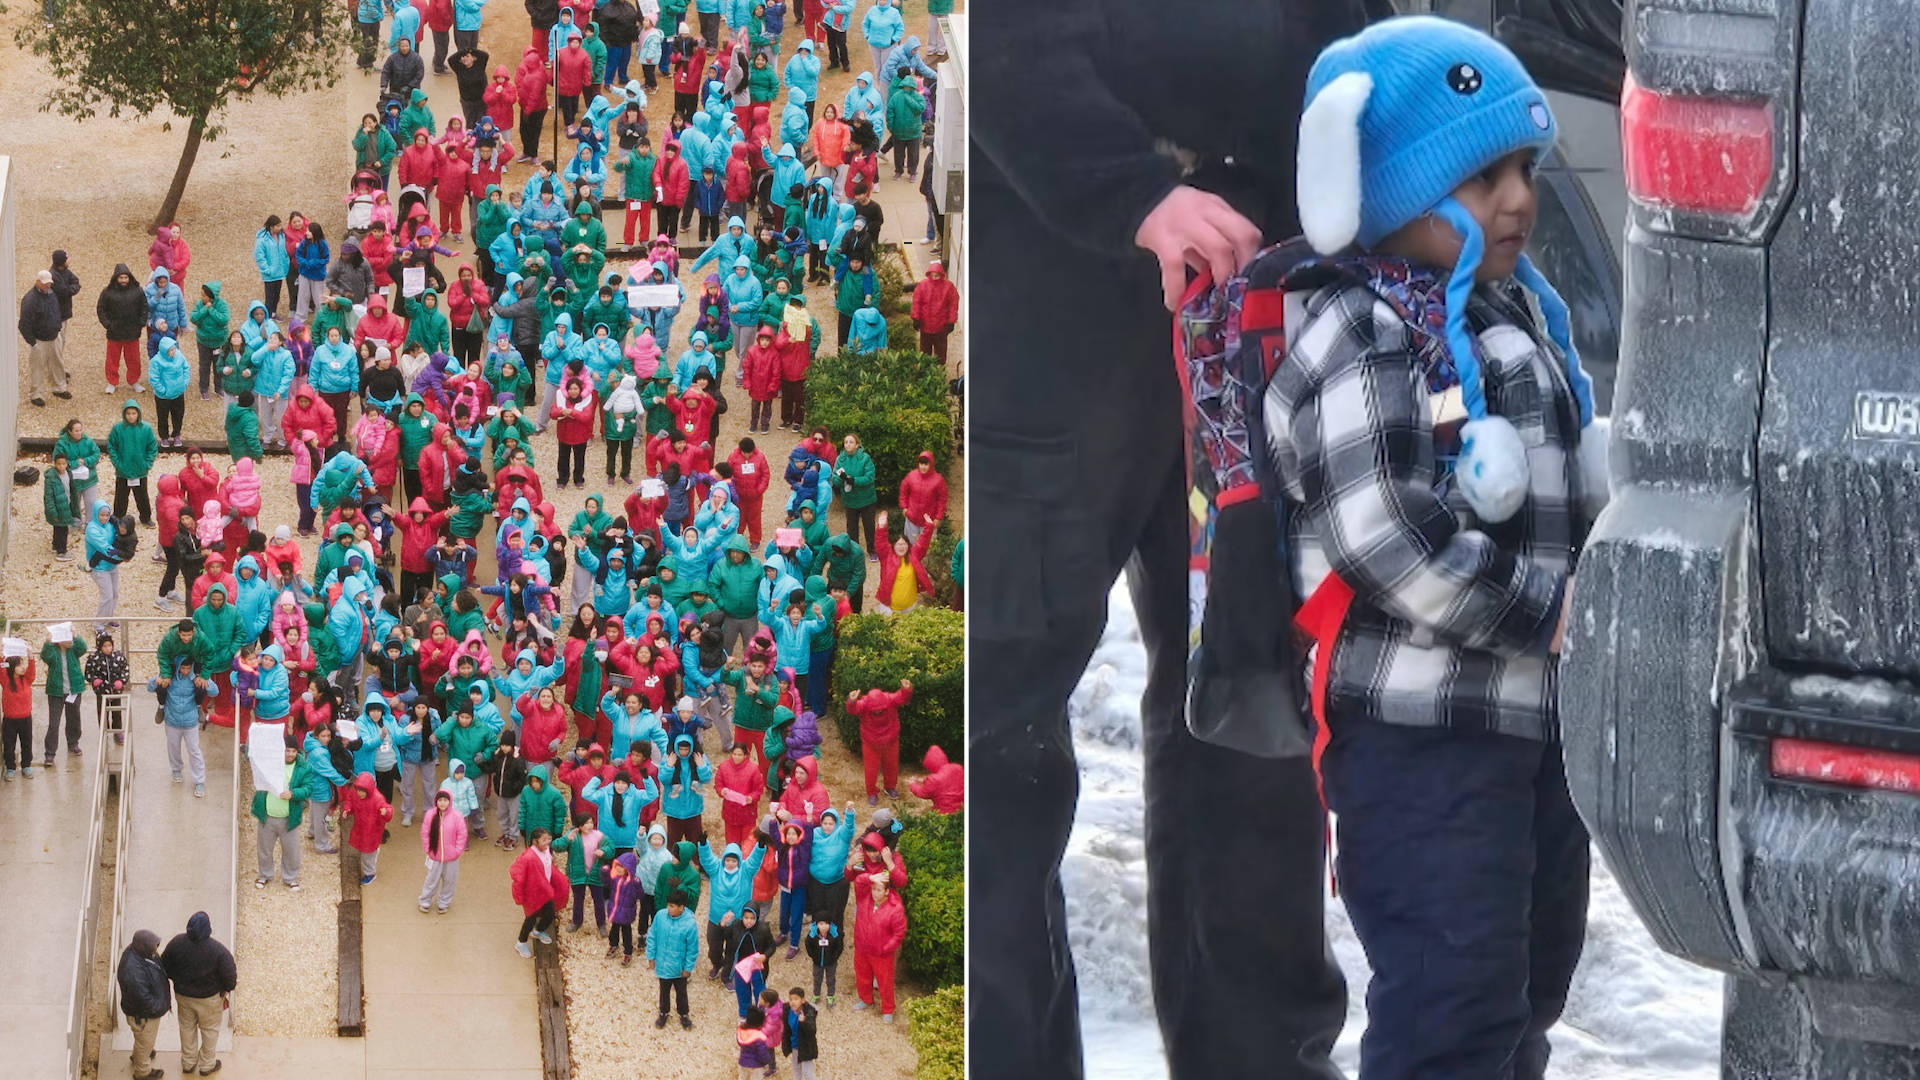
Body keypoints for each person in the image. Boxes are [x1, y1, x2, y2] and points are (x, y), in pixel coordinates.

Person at [969, 1, 1372, 1076]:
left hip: (1265, 299)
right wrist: (1131, 189)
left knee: (1253, 712)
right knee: (996, 739)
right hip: (1052, 307)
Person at [159, 911, 237, 1078]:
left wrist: (177, 979)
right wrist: (224, 989)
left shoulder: (176, 943)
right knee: (209, 1031)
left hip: (183, 996)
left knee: (186, 1028)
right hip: (210, 1000)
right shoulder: (219, 951)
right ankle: (207, 1065)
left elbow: (164, 966)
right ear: (208, 928)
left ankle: (188, 1062)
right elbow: (230, 978)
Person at [253, 734, 308, 889]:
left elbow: (308, 788)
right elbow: (251, 754)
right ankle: (264, 875)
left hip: (289, 818)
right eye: (287, 750)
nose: (290, 754)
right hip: (267, 816)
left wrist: (293, 794)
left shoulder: (303, 767)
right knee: (264, 849)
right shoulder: (269, 763)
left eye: (293, 751)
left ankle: (290, 877)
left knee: (291, 850)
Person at [117, 928, 172, 1080]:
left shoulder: (138, 953)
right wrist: (159, 1008)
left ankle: (138, 1055)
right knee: (145, 1042)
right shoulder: (132, 971)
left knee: (142, 1040)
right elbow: (143, 1000)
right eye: (153, 947)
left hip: (141, 1013)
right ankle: (142, 1072)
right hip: (143, 1016)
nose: (155, 951)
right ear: (144, 947)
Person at [849, 871, 904, 1023]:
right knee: (862, 976)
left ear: (887, 891)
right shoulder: (864, 898)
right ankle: (866, 1000)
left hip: (881, 954)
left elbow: (898, 934)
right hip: (862, 948)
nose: (874, 892)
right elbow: (858, 882)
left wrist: (885, 948)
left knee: (884, 982)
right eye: (873, 888)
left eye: (879, 890)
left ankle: (888, 1009)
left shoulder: (895, 908)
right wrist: (870, 877)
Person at [511, 826, 570, 957]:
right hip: (532, 894)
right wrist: (519, 895)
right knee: (530, 919)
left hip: (545, 891)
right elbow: (518, 875)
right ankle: (521, 942)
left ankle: (537, 931)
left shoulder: (545, 851)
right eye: (543, 840)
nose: (547, 842)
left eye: (548, 839)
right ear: (535, 841)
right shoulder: (528, 857)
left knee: (549, 913)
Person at [647, 887, 701, 1028]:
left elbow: (692, 949)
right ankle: (663, 1012)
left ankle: (684, 1014)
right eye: (668, 905)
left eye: (672, 906)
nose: (668, 908)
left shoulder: (690, 924)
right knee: (664, 991)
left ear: (681, 907)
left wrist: (688, 968)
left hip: (679, 968)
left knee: (681, 992)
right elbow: (652, 936)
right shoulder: (660, 916)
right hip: (663, 965)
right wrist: (651, 957)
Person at [98, 263, 150, 394]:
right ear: (116, 278)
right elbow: (101, 309)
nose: (123, 280)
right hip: (114, 333)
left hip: (132, 332)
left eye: (125, 277)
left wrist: (141, 323)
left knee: (134, 359)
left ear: (129, 278)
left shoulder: (138, 291)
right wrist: (108, 324)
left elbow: (144, 307)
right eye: (121, 278)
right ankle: (112, 382)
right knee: (112, 360)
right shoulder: (107, 292)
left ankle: (134, 381)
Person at [19, 269, 69, 406]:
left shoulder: (51, 294)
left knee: (57, 363)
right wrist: (32, 343)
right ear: (38, 282)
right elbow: (23, 324)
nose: (48, 285)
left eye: (49, 283)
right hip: (39, 340)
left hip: (54, 336)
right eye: (45, 283)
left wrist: (57, 328)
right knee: (37, 368)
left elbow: (56, 311)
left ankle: (59, 388)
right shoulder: (30, 300)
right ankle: (36, 394)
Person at [39, 628, 87, 764]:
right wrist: (47, 643)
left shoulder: (73, 649)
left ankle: (73, 743)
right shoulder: (53, 650)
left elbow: (83, 648)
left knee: (74, 719)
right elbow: (45, 657)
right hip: (56, 691)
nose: (69, 641)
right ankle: (50, 752)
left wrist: (76, 635)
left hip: (73, 690)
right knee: (54, 723)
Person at [107, 399, 159, 526]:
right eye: (128, 413)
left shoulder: (146, 428)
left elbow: (152, 447)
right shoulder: (118, 428)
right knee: (121, 496)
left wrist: (147, 463)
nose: (131, 416)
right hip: (123, 470)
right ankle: (118, 517)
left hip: (140, 469)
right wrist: (117, 463)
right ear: (124, 414)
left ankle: (145, 518)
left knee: (142, 496)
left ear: (138, 414)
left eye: (133, 413)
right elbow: (111, 446)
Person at [420, 787, 470, 912]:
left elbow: (462, 834)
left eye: (445, 800)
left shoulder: (457, 816)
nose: (442, 803)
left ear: (450, 801)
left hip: (452, 857)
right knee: (431, 880)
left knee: (450, 881)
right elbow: (425, 833)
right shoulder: (430, 815)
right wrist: (428, 849)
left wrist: (457, 851)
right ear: (436, 801)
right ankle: (425, 900)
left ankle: (444, 902)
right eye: (440, 800)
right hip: (435, 855)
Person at [909, 258, 957, 363]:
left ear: (942, 274)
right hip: (925, 326)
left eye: (937, 275)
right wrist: (916, 318)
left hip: (941, 327)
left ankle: (939, 370)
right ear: (929, 274)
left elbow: (953, 305)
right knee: (924, 352)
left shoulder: (948, 287)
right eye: (933, 275)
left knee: (940, 353)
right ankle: (926, 369)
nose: (934, 278)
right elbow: (917, 302)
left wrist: (951, 321)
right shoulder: (922, 286)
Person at [2, 655, 38, 780]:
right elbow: (1, 668)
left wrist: (31, 658)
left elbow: (31, 671)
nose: (23, 667)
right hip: (9, 720)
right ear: (12, 667)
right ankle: (10, 768)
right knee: (9, 745)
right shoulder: (6, 680)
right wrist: (1, 656)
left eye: (23, 664)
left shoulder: (26, 679)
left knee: (27, 743)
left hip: (25, 718)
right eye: (19, 665)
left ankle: (26, 766)